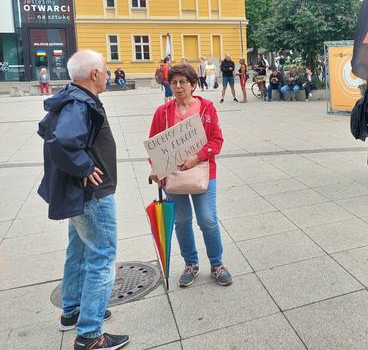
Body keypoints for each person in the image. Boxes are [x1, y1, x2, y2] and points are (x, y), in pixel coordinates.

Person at [37, 50, 128, 350]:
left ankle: (73, 310)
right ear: (94, 75)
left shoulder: (69, 96)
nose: (107, 74)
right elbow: (61, 140)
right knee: (101, 258)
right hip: (93, 196)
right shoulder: (80, 102)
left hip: (79, 194)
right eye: (105, 70)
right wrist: (85, 166)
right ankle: (90, 335)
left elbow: (45, 129)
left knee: (77, 251)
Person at [148, 63, 233, 289]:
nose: (178, 86)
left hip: (202, 172)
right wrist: (155, 168)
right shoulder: (162, 113)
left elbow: (217, 141)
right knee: (182, 221)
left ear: (194, 85)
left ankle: (217, 264)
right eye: (174, 82)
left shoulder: (206, 109)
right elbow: (155, 146)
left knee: (207, 219)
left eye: (183, 82)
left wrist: (197, 157)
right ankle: (191, 264)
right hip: (173, 176)